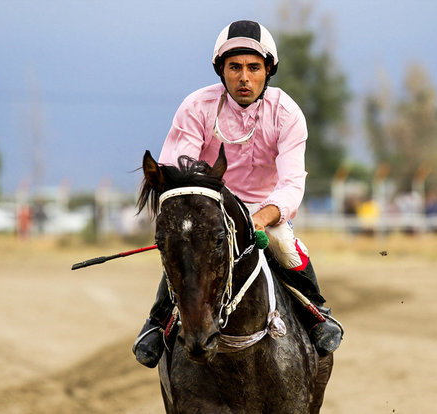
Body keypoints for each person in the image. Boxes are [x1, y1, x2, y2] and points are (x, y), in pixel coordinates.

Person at [132, 20, 344, 368]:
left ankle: (317, 312)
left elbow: (292, 184)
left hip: (265, 211)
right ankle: (157, 322)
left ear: (267, 71)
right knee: (189, 249)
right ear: (222, 71)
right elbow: (176, 170)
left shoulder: (287, 113)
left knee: (283, 244)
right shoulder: (196, 107)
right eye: (235, 68)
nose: (244, 77)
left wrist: (259, 218)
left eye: (253, 68)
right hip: (208, 207)